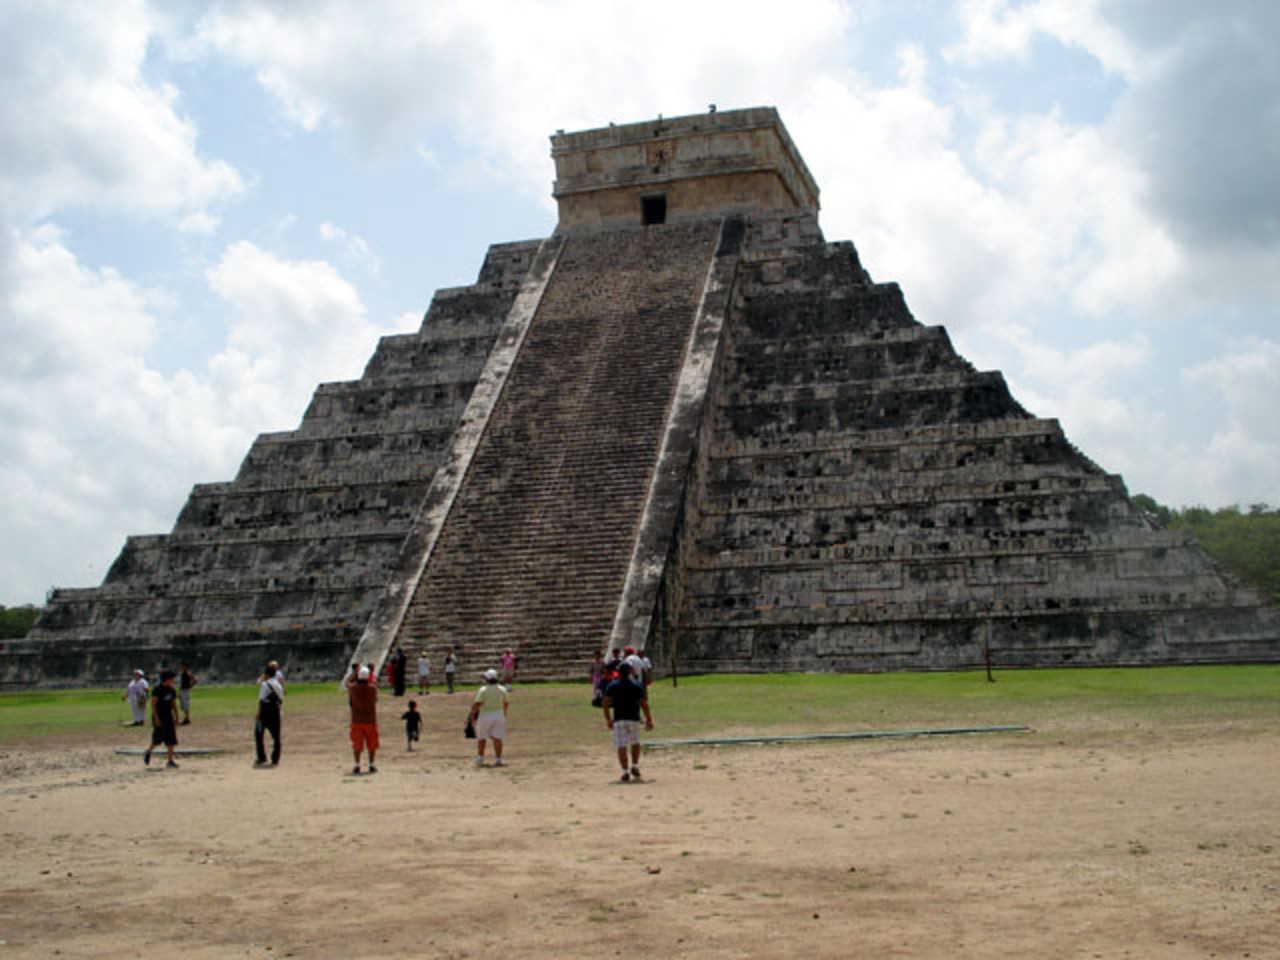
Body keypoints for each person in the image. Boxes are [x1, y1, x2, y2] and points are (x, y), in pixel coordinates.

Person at [601, 662, 654, 783]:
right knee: (635, 743)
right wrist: (649, 719)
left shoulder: (612, 686)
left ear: (618, 672)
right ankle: (634, 765)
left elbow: (605, 703)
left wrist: (608, 719)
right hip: (634, 718)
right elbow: (644, 704)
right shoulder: (636, 685)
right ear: (630, 671)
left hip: (619, 719)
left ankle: (625, 771)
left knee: (621, 746)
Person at [467, 668, 509, 767]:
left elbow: (477, 704)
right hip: (498, 714)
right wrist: (504, 713)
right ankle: (499, 759)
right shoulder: (502, 689)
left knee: (482, 737)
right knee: (498, 738)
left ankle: (480, 758)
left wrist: (472, 715)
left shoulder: (483, 690)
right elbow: (506, 703)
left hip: (486, 714)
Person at [144, 669, 180, 769]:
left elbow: (173, 704)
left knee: (171, 738)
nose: (173, 680)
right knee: (157, 738)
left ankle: (170, 760)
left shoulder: (171, 690)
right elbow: (153, 704)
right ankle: (148, 751)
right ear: (166, 679)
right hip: (159, 715)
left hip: (168, 716)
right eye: (171, 678)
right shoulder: (157, 689)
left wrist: (177, 717)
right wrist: (156, 718)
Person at [347, 666, 380, 775]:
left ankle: (357, 764)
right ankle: (371, 764)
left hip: (356, 719)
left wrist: (354, 673)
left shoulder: (353, 688)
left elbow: (347, 682)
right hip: (370, 720)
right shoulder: (372, 689)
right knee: (372, 743)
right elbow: (375, 699)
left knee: (357, 744)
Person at [254, 663, 284, 767]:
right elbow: (281, 701)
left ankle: (261, 757)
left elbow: (262, 700)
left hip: (264, 713)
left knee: (258, 734)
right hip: (276, 713)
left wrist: (258, 713)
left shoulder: (265, 684)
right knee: (276, 737)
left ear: (266, 674)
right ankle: (275, 758)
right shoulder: (279, 685)